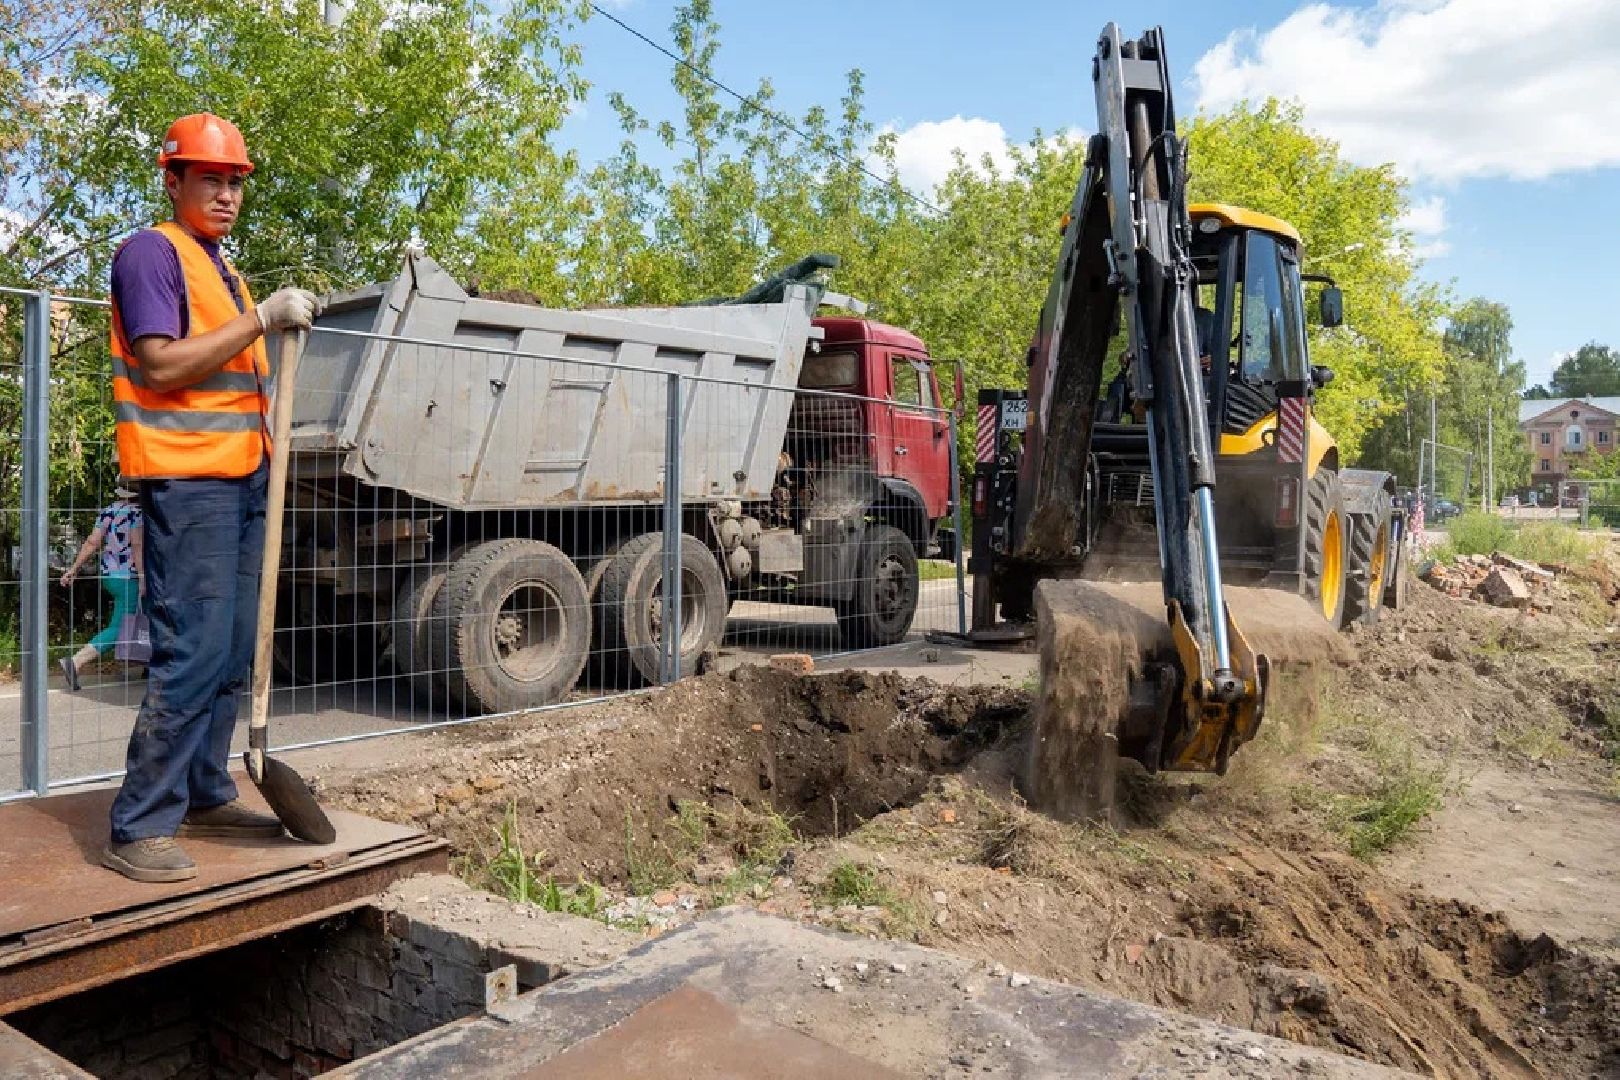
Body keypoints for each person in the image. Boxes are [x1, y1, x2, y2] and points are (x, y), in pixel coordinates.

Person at [103, 113, 323, 883]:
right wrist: (259, 321)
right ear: (173, 181)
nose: (227, 194)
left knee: (232, 650)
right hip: (192, 482)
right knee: (193, 652)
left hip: (244, 479)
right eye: (210, 179)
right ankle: (139, 825)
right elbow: (163, 366)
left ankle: (203, 791)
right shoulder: (151, 255)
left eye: (235, 182)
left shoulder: (223, 270)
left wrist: (268, 330)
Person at [58, 486, 145, 691]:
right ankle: (76, 661)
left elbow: (92, 542)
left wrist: (74, 568)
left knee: (127, 620)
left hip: (109, 575)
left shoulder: (109, 510)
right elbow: (137, 546)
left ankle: (148, 664)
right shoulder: (137, 513)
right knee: (122, 627)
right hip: (128, 577)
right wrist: (142, 577)